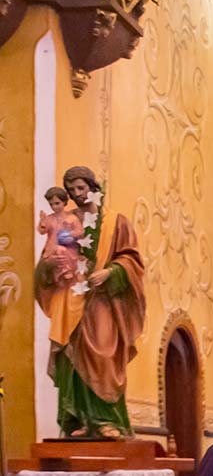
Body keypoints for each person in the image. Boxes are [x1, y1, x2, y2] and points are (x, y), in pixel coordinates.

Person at [34, 165, 145, 438]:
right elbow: (49, 258)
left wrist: (111, 271)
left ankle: (107, 420)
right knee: (71, 359)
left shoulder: (116, 222)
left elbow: (132, 260)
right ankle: (79, 420)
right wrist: (51, 266)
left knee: (104, 355)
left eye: (81, 188)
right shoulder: (64, 221)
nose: (77, 195)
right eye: (71, 191)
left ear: (92, 187)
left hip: (103, 301)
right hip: (71, 299)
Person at [36, 186, 84, 287]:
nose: (54, 207)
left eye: (57, 203)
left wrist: (70, 234)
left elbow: (80, 232)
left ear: (64, 202)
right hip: (52, 248)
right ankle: (57, 277)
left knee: (61, 251)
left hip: (69, 249)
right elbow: (42, 231)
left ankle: (67, 272)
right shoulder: (49, 218)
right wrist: (43, 221)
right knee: (55, 256)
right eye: (51, 204)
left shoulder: (71, 218)